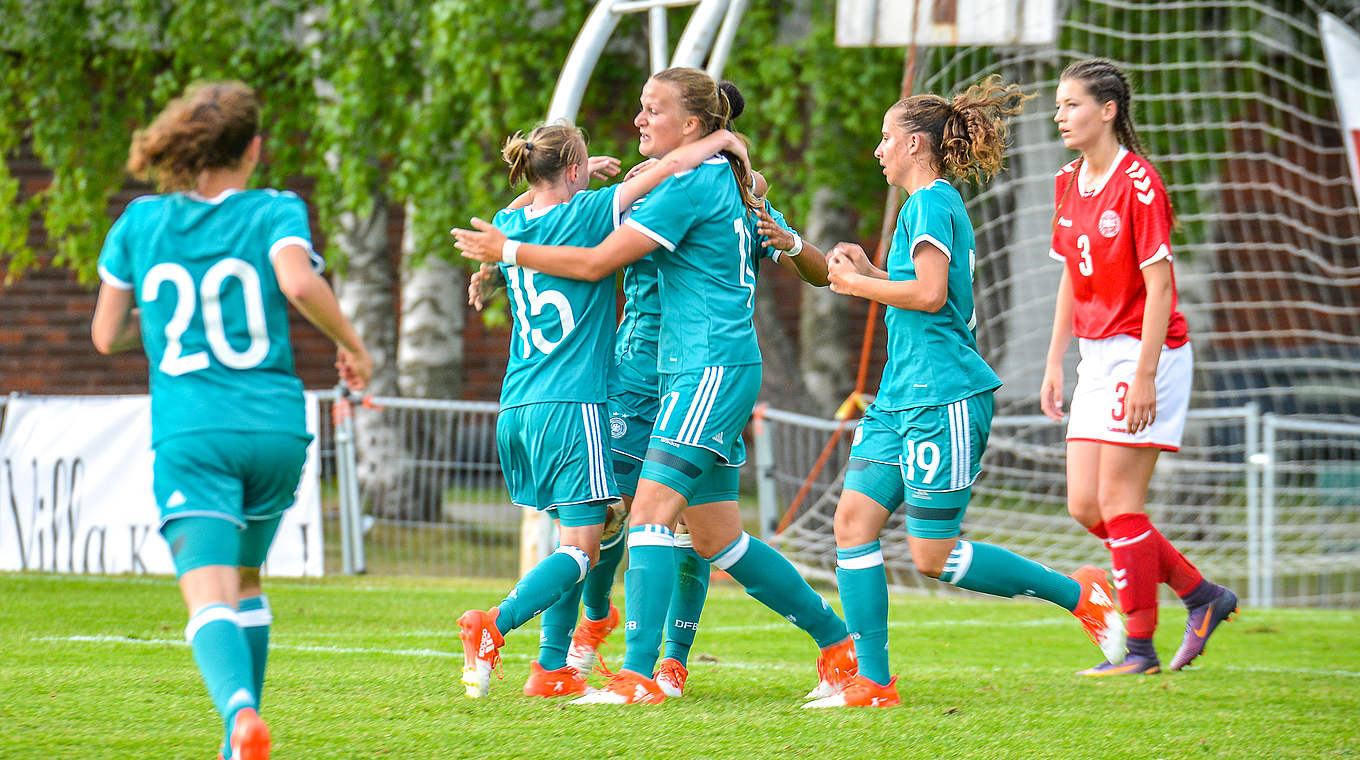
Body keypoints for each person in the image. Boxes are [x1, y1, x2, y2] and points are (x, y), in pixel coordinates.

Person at [454, 67, 856, 705]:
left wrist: (508, 252)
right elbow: (557, 213)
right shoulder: (711, 178)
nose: (639, 120)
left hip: (699, 368)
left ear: (694, 123)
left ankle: (638, 669)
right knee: (713, 535)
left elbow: (589, 257)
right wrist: (505, 256)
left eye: (652, 109)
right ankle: (838, 648)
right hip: (668, 371)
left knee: (635, 513)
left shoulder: (693, 186)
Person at [802, 76, 1126, 709]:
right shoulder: (925, 205)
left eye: (887, 137)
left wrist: (857, 287)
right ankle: (873, 681)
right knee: (853, 521)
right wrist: (871, 273)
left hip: (945, 398)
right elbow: (924, 298)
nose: (878, 149)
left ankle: (1079, 594)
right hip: (900, 397)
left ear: (916, 143)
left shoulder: (929, 204)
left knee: (931, 555)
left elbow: (927, 295)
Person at [90, 81, 372, 759]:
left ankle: (240, 712)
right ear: (254, 148)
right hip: (277, 429)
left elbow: (106, 336)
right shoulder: (276, 208)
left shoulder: (141, 221)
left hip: (194, 433)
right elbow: (297, 281)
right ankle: (236, 742)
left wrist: (157, 329)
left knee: (209, 593)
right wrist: (355, 347)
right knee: (247, 580)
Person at [456, 119, 755, 699]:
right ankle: (495, 625)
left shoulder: (514, 224)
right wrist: (720, 143)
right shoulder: (589, 214)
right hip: (577, 403)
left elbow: (519, 215)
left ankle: (554, 666)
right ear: (573, 172)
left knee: (587, 529)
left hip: (517, 404)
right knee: (585, 544)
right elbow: (670, 171)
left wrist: (497, 261)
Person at [1042, 58, 1237, 675]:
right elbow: (1072, 277)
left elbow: (1161, 289)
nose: (1061, 116)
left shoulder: (1140, 182)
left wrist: (1147, 373)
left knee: (1120, 500)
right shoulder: (1067, 181)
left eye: (1072, 104)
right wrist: (1054, 361)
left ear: (1107, 111)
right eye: (1058, 105)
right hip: (1094, 355)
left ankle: (1141, 651)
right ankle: (1201, 596)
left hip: (1145, 350)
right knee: (1084, 505)